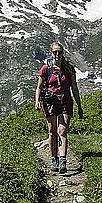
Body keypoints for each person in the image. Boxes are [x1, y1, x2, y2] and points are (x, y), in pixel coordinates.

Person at [35, 41, 83, 174]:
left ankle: (63, 160)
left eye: (59, 52)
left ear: (63, 53)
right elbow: (39, 87)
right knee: (52, 131)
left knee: (62, 130)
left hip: (65, 102)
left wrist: (79, 106)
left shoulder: (68, 69)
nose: (57, 54)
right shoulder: (46, 69)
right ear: (51, 53)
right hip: (50, 102)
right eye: (54, 52)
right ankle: (54, 158)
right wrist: (37, 101)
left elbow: (74, 88)